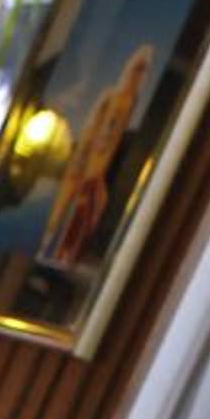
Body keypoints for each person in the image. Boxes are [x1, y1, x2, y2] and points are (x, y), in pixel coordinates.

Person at [40, 42, 153, 273]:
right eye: (137, 69)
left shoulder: (132, 102)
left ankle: (69, 254)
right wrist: (84, 153)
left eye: (143, 71)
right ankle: (51, 247)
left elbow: (117, 133)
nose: (138, 76)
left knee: (88, 212)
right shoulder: (111, 95)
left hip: (100, 169)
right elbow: (94, 125)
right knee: (67, 207)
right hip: (87, 161)